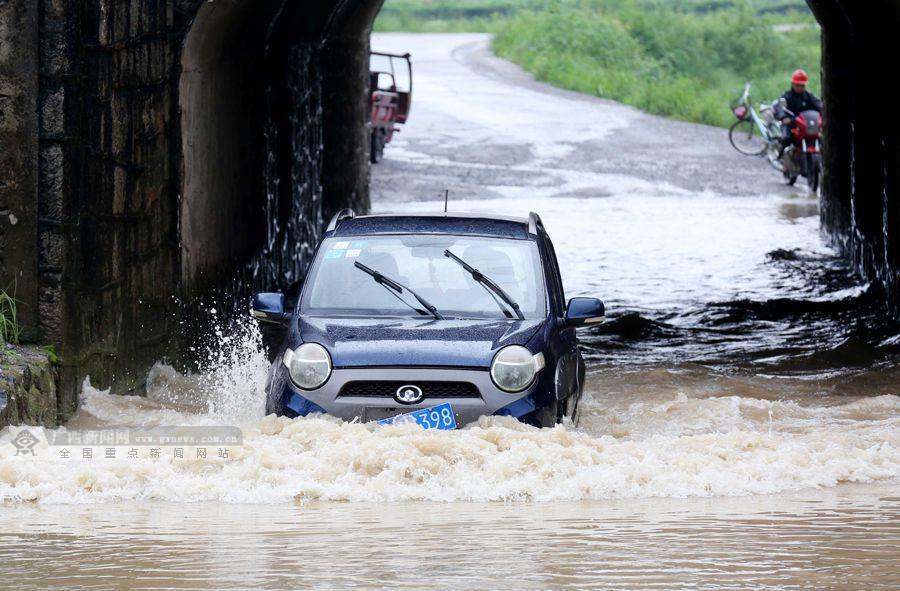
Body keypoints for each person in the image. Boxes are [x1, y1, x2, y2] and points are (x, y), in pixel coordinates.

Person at [778, 69, 823, 156]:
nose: (800, 87)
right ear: (793, 84)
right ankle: (782, 159)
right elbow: (780, 107)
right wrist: (783, 117)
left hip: (807, 125)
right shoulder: (787, 96)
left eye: (802, 85)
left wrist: (824, 113)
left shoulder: (809, 96)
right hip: (792, 125)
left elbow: (819, 104)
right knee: (787, 138)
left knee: (821, 138)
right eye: (798, 85)